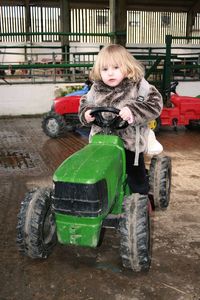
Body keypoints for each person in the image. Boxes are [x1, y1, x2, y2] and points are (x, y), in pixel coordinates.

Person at [78, 44, 163, 195]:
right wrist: (85, 113)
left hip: (129, 143)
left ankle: (141, 200)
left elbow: (155, 104)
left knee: (136, 177)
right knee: (93, 170)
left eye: (116, 67)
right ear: (98, 71)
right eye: (105, 69)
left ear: (127, 67)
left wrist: (133, 110)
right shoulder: (96, 88)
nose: (110, 73)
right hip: (101, 142)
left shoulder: (138, 86)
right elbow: (85, 103)